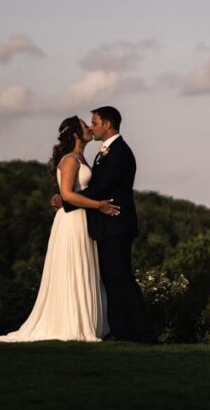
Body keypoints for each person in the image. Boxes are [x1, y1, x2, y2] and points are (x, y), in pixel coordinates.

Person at [0, 115, 118, 342]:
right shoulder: (70, 160)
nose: (90, 129)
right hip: (72, 221)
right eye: (85, 126)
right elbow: (67, 194)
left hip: (82, 220)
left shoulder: (81, 157)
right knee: (72, 268)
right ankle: (70, 323)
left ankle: (86, 322)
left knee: (83, 267)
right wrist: (98, 205)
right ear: (75, 134)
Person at [52, 105, 149, 341]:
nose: (92, 127)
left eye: (94, 123)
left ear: (107, 125)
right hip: (104, 225)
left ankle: (142, 331)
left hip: (116, 222)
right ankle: (120, 330)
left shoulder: (119, 153)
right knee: (112, 278)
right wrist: (69, 200)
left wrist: (67, 203)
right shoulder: (103, 152)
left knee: (121, 277)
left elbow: (100, 188)